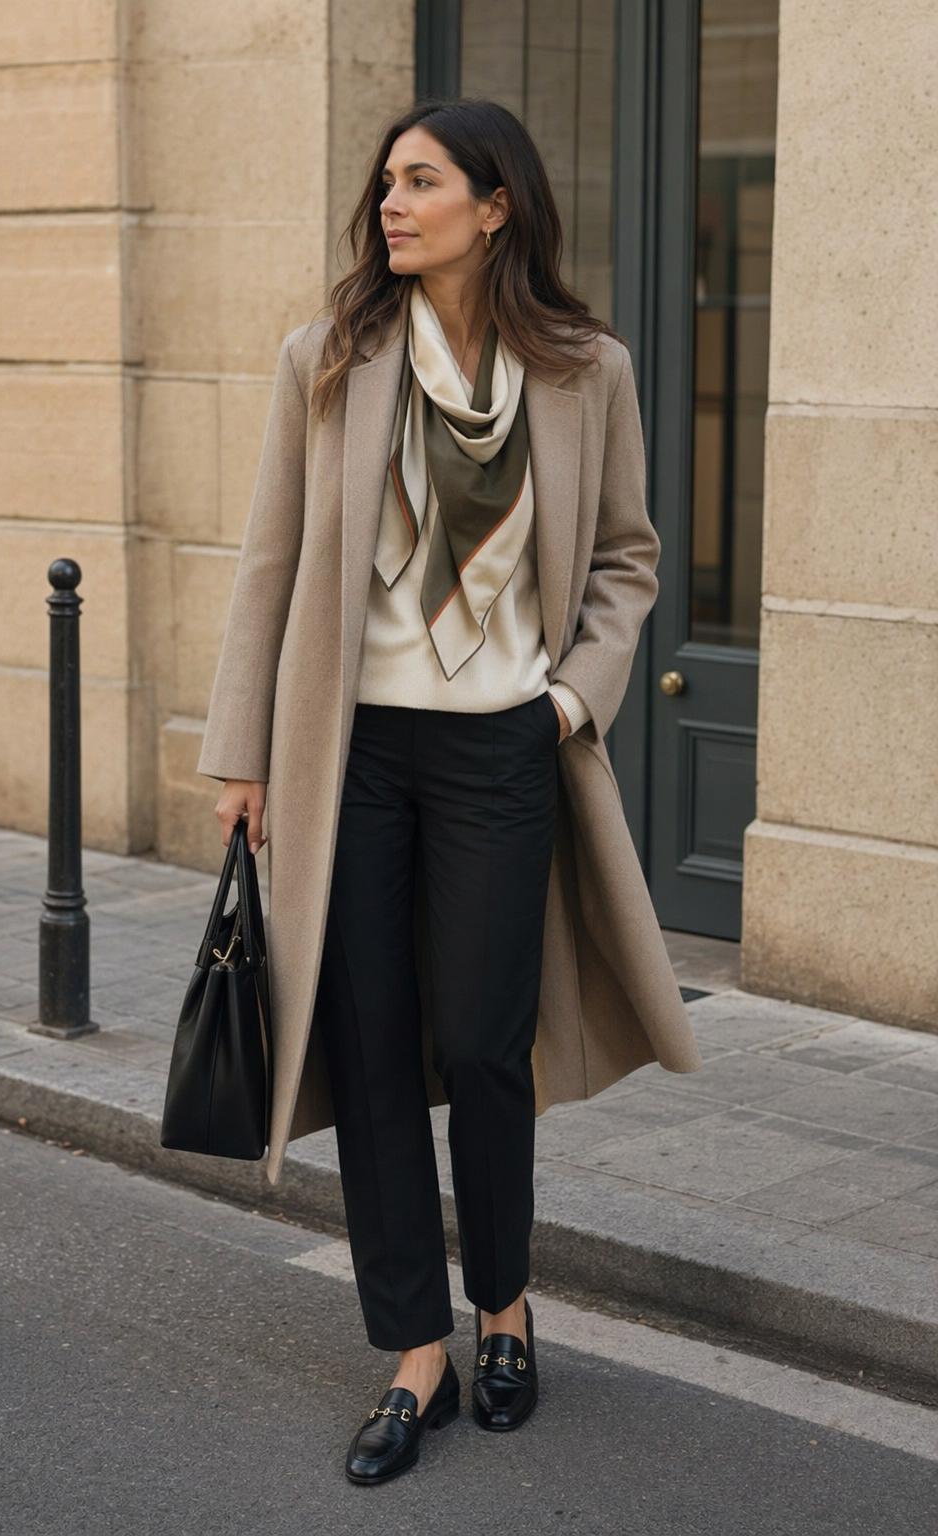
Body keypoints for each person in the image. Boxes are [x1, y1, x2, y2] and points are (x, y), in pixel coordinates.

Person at [200, 97, 700, 1485]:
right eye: (384, 184)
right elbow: (271, 564)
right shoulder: (334, 357)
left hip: (498, 750)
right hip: (352, 754)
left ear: (496, 205)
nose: (391, 204)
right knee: (370, 1051)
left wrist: (566, 701)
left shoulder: (583, 370)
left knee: (484, 1048)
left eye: (421, 182)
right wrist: (243, 757)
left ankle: (507, 1310)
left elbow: (627, 558)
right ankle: (414, 1349)